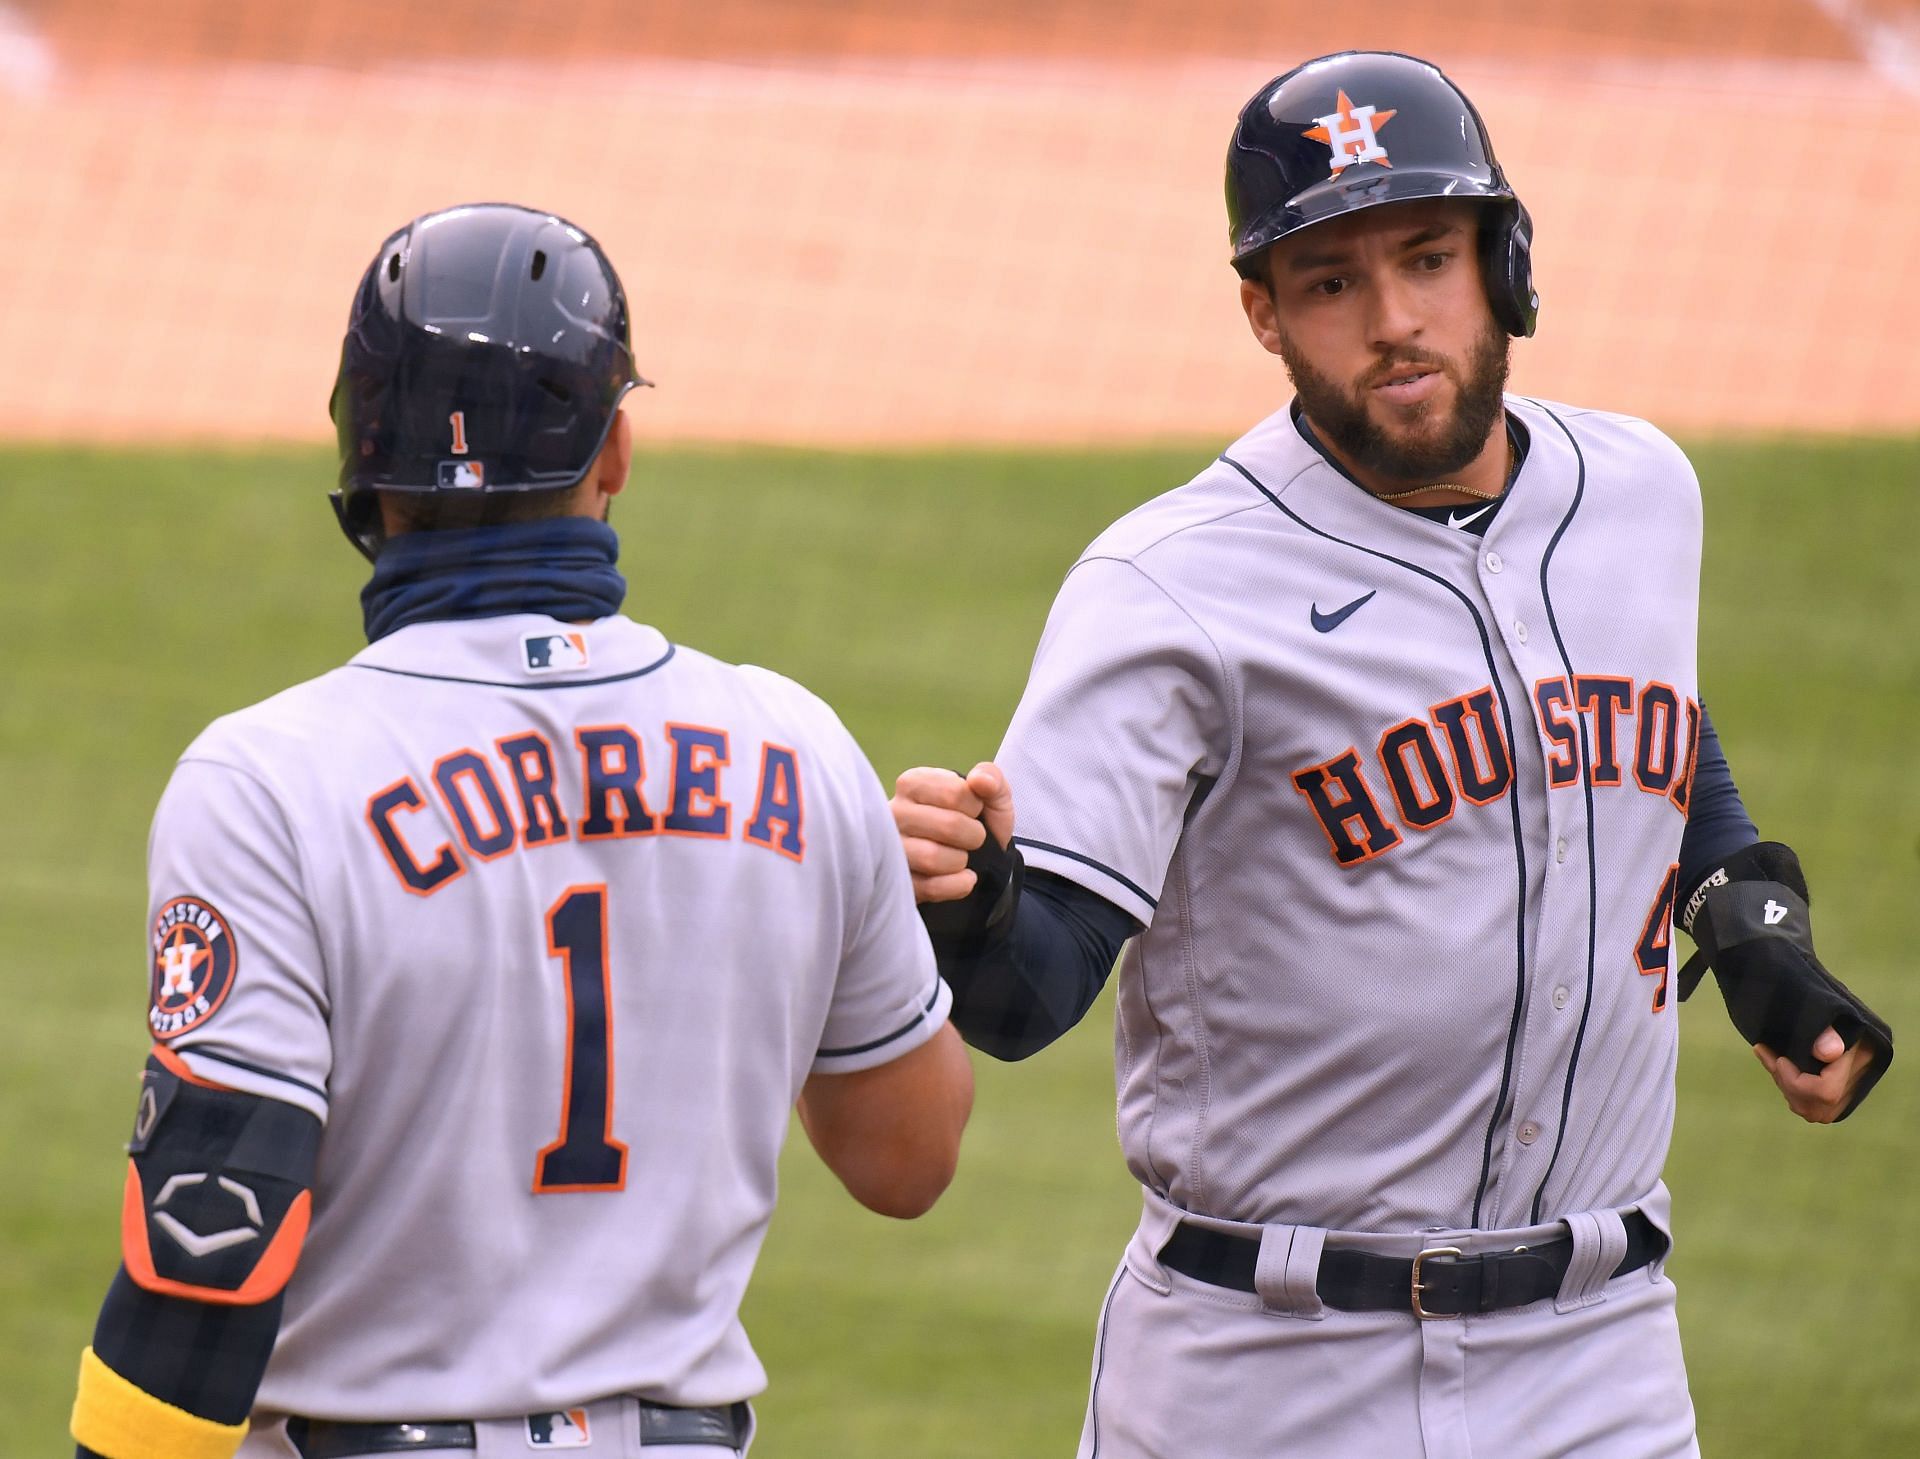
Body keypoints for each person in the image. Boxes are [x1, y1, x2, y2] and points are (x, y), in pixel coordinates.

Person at [891, 51, 1892, 1458]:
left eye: (1428, 257)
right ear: (1266, 315)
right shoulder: (1173, 581)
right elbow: (1024, 993)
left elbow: (1646, 731)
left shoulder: (1642, 496)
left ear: (1505, 262)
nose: (1393, 320)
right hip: (1267, 1366)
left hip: (1601, 1354)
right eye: (1330, 283)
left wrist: (1757, 930)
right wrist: (977, 898)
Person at [70, 202, 973, 1459]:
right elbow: (908, 1160)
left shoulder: (268, 779)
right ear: (615, 449)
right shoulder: (797, 748)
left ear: (360, 459)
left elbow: (210, 1229)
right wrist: (902, 919)